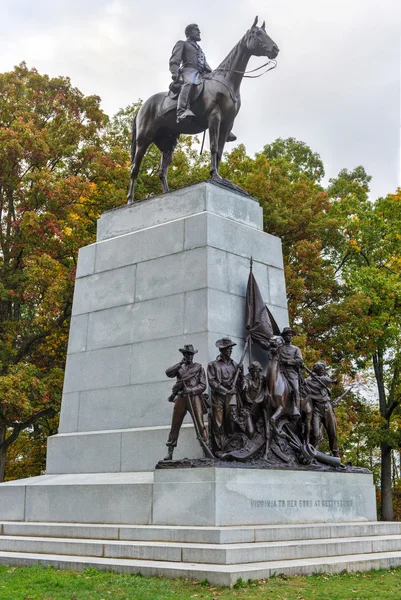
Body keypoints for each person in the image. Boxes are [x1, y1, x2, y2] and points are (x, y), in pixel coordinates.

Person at [169, 23, 236, 140]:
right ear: (189, 32)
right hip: (188, 71)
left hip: (201, 73)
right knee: (189, 82)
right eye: (196, 30)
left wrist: (215, 74)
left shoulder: (200, 50)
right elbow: (174, 60)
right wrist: (175, 73)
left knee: (214, 88)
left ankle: (223, 125)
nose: (199, 32)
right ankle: (181, 111)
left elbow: (205, 65)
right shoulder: (182, 44)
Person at [164, 344, 208, 461]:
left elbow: (203, 385)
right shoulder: (179, 367)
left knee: (200, 424)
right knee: (175, 425)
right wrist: (179, 364)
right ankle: (170, 451)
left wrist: (192, 390)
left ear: (193, 355)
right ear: (183, 355)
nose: (189, 356)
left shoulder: (199, 368)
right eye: (187, 354)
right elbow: (168, 373)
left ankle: (205, 449)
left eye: (190, 354)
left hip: (194, 398)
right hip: (181, 398)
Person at [207, 337, 242, 456]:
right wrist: (225, 391)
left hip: (232, 396)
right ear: (222, 350)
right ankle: (219, 449)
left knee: (232, 420)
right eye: (228, 348)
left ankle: (231, 446)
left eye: (231, 348)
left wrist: (241, 374)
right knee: (218, 422)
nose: (230, 350)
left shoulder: (235, 365)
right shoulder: (213, 365)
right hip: (219, 396)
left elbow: (240, 383)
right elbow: (212, 382)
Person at [306, 361, 340, 457]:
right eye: (322, 370)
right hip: (316, 408)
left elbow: (330, 381)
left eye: (323, 370)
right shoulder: (308, 381)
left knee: (332, 432)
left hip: (327, 407)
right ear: (317, 371)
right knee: (315, 434)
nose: (324, 371)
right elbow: (302, 384)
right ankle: (310, 455)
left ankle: (336, 454)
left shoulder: (324, 379)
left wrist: (334, 381)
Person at [278, 327, 303, 419]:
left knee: (295, 389)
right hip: (279, 371)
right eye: (288, 335)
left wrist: (288, 362)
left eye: (291, 335)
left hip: (291, 372)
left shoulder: (296, 349)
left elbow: (299, 361)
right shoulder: (279, 348)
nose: (290, 337)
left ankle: (296, 409)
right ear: (284, 337)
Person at [241, 361, 266, 440]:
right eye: (253, 372)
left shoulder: (262, 379)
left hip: (259, 409)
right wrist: (245, 385)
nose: (255, 374)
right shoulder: (247, 379)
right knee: (251, 432)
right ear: (250, 371)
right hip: (249, 409)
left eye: (257, 371)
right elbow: (245, 381)